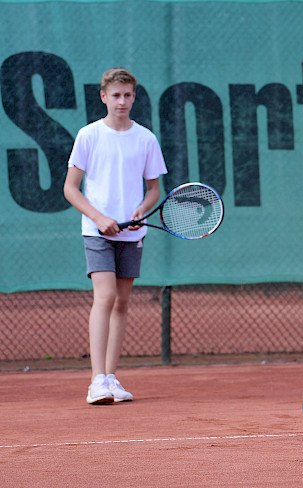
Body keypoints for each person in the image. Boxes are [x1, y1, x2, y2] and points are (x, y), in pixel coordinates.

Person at [63, 67, 167, 405]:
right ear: (104, 97)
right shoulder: (89, 135)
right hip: (97, 231)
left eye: (127, 95)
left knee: (122, 302)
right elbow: (70, 188)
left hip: (131, 233)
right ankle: (95, 381)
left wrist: (139, 211)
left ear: (134, 97)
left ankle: (110, 377)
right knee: (104, 296)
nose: (121, 101)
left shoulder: (146, 139)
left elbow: (154, 189)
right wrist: (98, 218)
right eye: (116, 95)